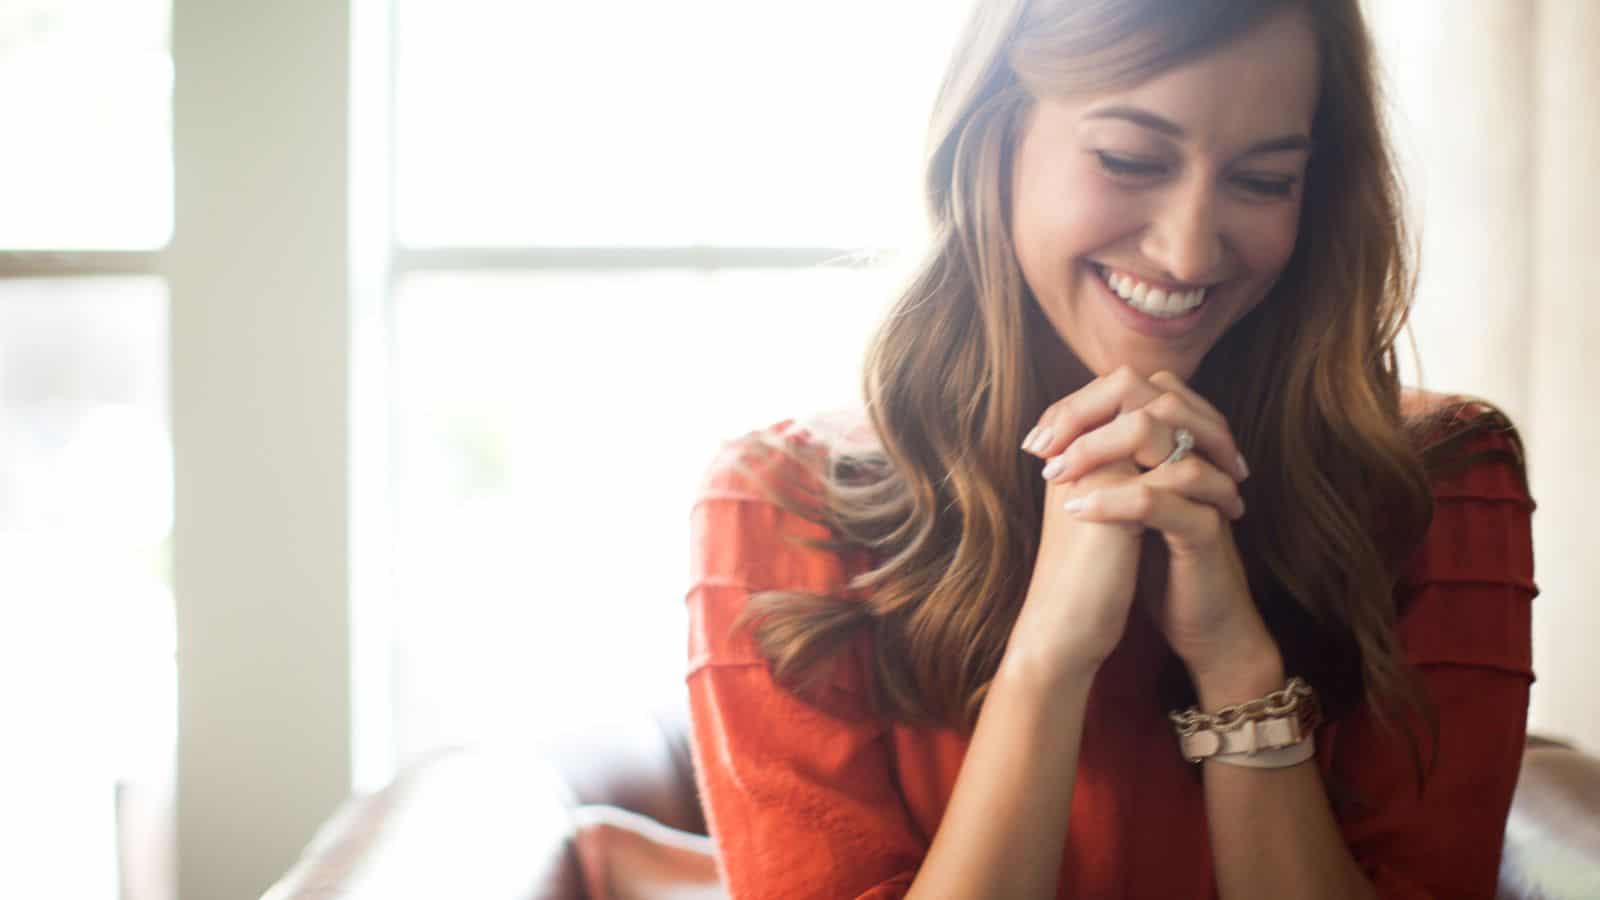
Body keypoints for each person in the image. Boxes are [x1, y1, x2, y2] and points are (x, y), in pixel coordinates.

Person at [684, 0, 1536, 897]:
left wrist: (1237, 670)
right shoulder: (778, 508)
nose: (1189, 249)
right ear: (992, 141)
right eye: (1131, 160)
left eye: (1264, 180)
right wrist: (1049, 658)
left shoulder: (1439, 478)